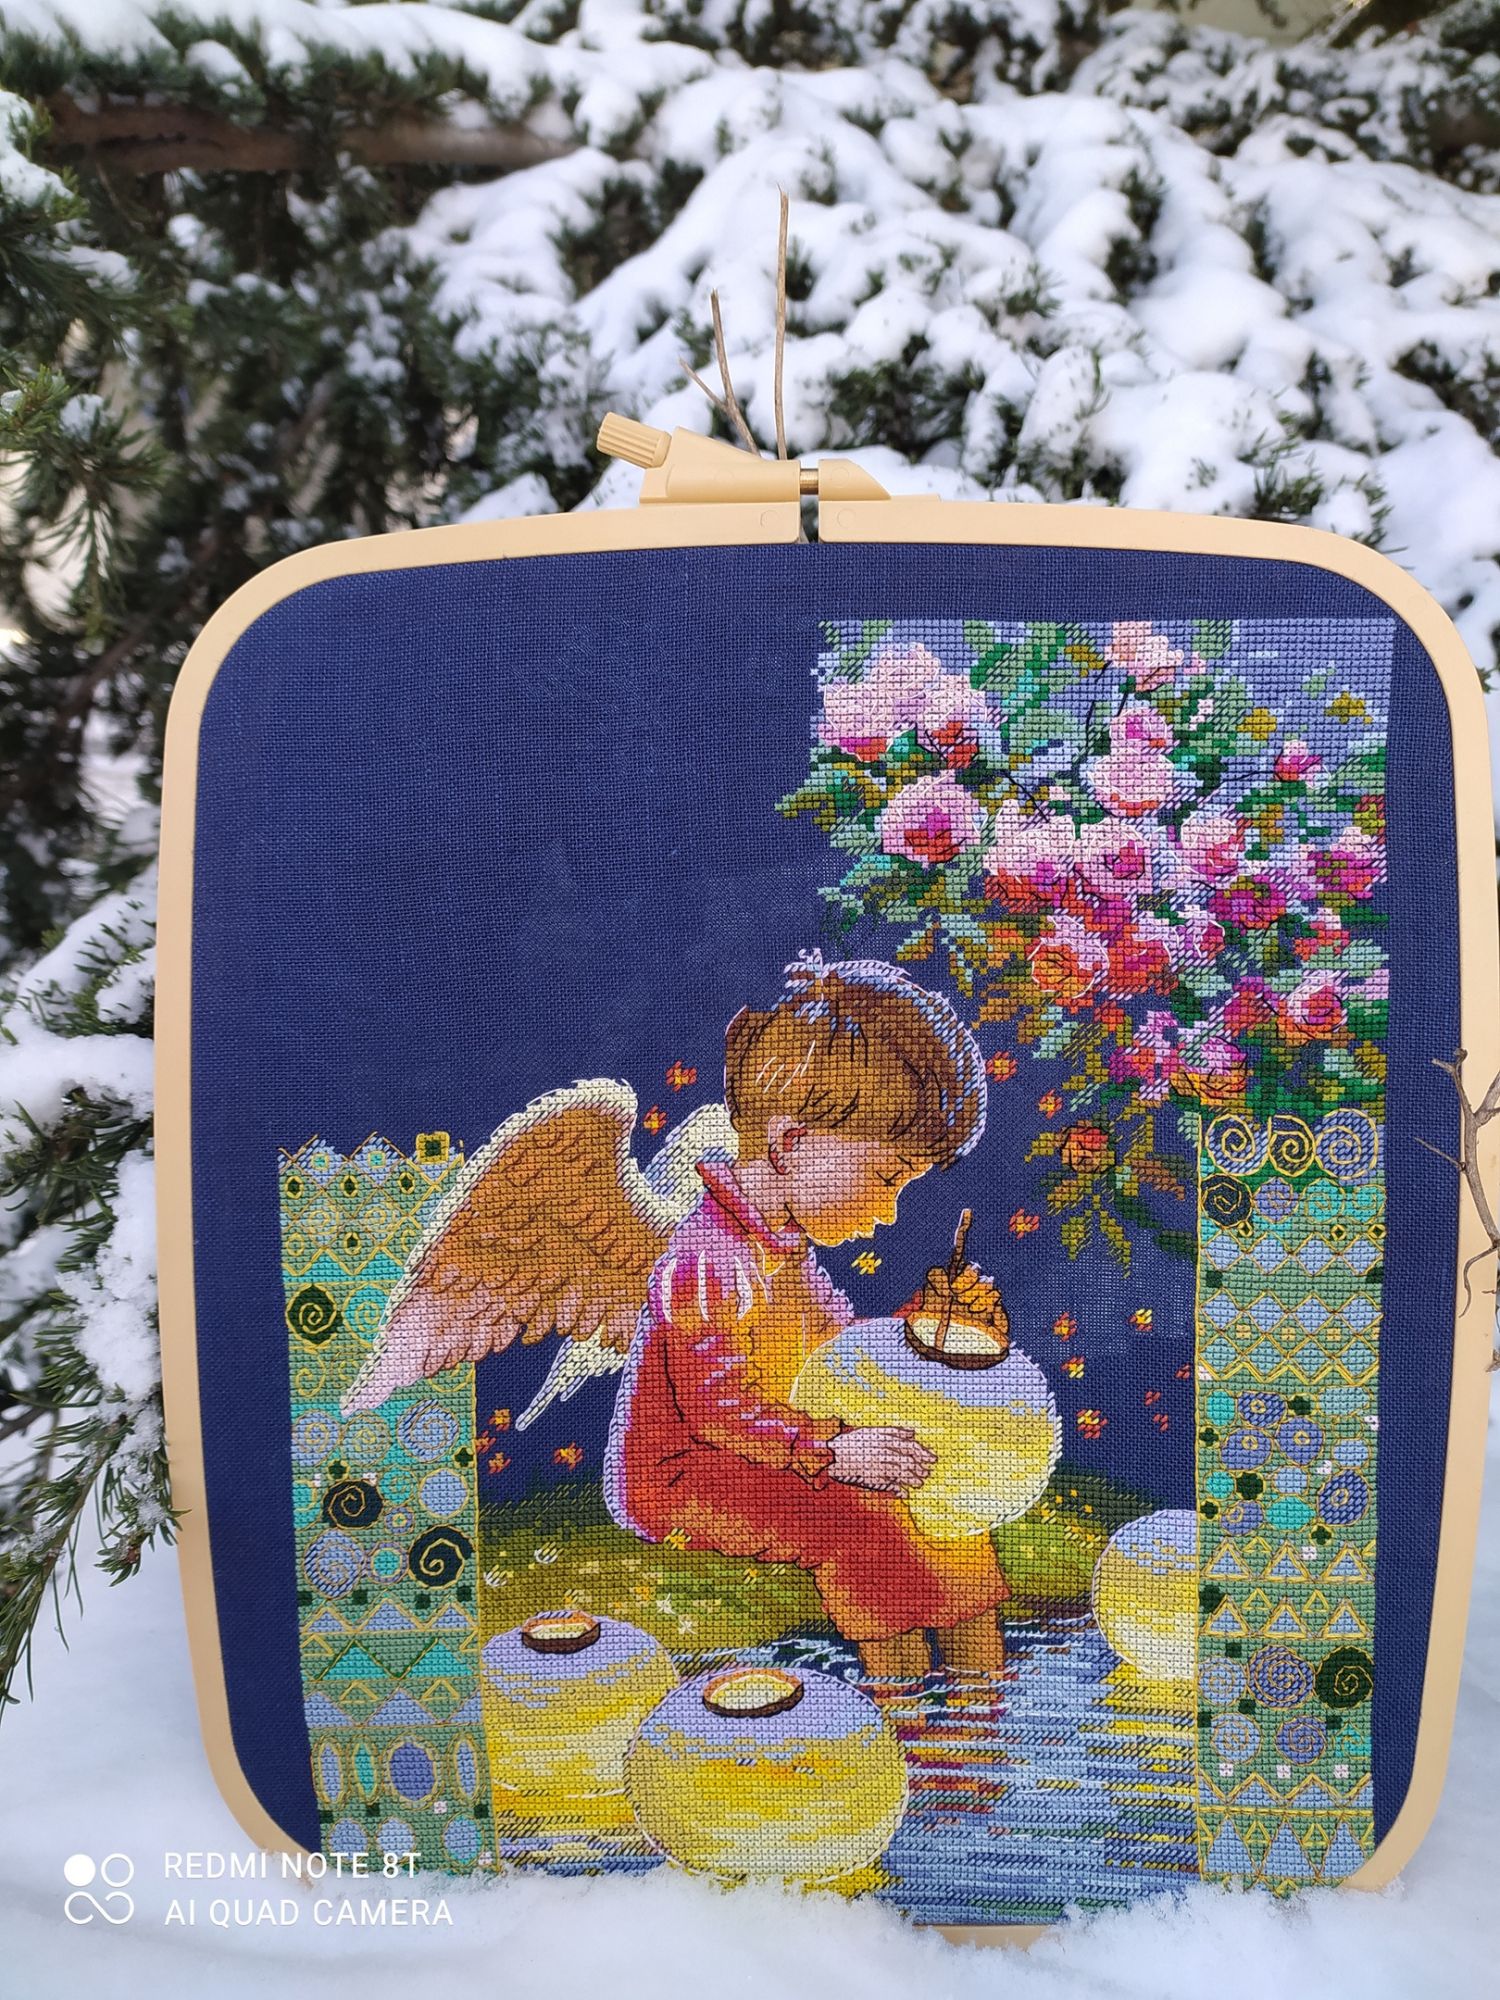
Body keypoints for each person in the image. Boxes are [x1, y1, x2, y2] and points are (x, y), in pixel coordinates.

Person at [603, 953, 1010, 1680]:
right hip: (685, 1475)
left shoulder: (783, 1249)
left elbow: (839, 1356)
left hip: (781, 1446)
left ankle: (982, 1697)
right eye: (886, 1177)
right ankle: (905, 1710)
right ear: (792, 1142)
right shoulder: (709, 1261)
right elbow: (719, 1412)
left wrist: (934, 1326)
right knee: (861, 1523)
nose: (889, 1211)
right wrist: (833, 1454)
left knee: (943, 1512)